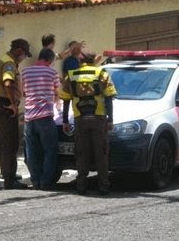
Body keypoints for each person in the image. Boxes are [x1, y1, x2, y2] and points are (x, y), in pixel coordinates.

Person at [60, 51, 117, 195]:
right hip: (98, 118)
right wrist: (110, 119)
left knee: (81, 153)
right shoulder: (101, 74)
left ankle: (81, 186)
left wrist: (65, 121)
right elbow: (109, 97)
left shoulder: (71, 75)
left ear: (81, 61)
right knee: (101, 153)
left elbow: (66, 100)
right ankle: (104, 186)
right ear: (94, 60)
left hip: (80, 119)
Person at [0, 38, 31, 190]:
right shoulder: (8, 63)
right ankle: (10, 179)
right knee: (11, 143)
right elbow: (8, 83)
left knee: (5, 141)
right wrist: (13, 104)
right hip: (6, 106)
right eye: (25, 55)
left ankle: (7, 173)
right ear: (19, 51)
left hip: (0, 103)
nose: (24, 58)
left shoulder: (3, 59)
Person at [22, 48, 61, 190]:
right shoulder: (52, 73)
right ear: (50, 61)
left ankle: (36, 181)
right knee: (50, 150)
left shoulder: (25, 72)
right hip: (45, 117)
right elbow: (59, 93)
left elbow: (24, 93)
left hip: (29, 117)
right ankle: (46, 182)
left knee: (31, 150)